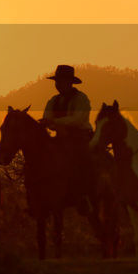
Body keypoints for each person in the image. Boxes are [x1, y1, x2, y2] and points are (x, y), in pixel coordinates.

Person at [39, 64, 94, 212]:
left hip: (80, 137)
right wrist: (52, 124)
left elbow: (78, 119)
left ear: (70, 82)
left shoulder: (81, 98)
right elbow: (47, 118)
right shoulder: (53, 100)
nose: (58, 84)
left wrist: (55, 123)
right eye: (57, 81)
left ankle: (85, 195)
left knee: (82, 160)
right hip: (61, 137)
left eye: (62, 81)